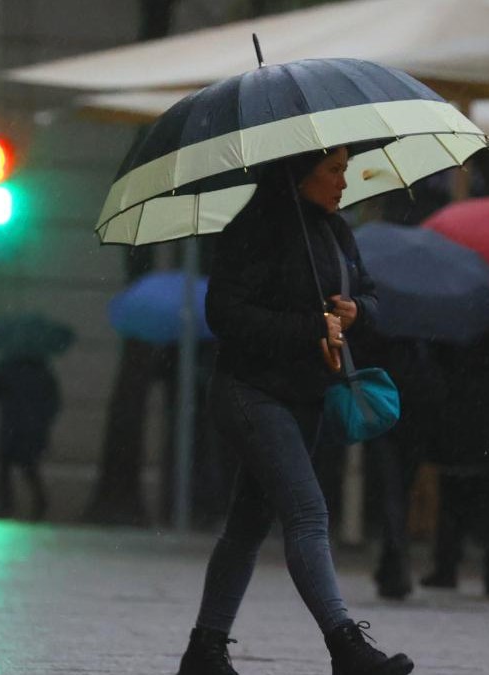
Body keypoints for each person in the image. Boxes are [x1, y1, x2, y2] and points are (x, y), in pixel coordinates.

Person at [176, 147, 413, 675]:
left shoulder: (335, 229)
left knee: (246, 526)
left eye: (345, 171)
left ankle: (204, 651)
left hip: (305, 397)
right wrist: (310, 325)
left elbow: (367, 295)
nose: (343, 183)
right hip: (251, 390)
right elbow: (225, 314)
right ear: (297, 175)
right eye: (333, 171)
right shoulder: (254, 228)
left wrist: (357, 312)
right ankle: (345, 646)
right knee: (308, 513)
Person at [420, 319, 489, 599]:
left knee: (454, 497)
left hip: (459, 418)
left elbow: (436, 366)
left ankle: (447, 566)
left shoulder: (449, 318)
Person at [0, 352, 60, 520]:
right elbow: (53, 402)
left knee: (6, 466)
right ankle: (38, 502)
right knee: (27, 466)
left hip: (12, 425)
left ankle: (7, 505)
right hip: (31, 427)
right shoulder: (43, 371)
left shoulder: (7, 368)